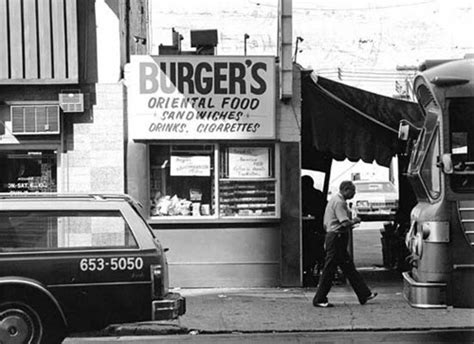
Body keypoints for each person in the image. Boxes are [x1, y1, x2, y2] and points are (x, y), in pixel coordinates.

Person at [312, 180, 377, 307]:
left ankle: (364, 293)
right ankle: (319, 299)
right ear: (346, 190)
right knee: (329, 269)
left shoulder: (335, 199)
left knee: (349, 268)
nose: (354, 194)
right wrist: (356, 220)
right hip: (337, 237)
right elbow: (344, 222)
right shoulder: (340, 202)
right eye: (353, 191)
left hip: (336, 236)